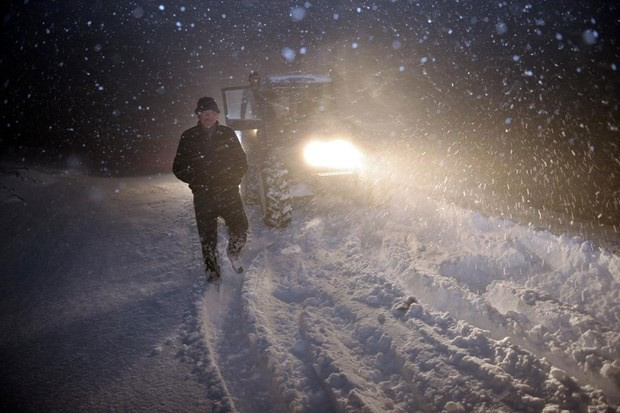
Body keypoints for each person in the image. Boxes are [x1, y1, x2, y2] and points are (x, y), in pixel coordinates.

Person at [173, 96, 249, 281]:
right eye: (204, 113)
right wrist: (196, 182)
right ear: (198, 115)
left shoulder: (228, 134)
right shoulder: (189, 136)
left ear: (217, 115)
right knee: (207, 237)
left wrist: (232, 180)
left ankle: (233, 252)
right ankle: (212, 272)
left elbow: (241, 162)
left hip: (228, 191)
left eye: (211, 113)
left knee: (240, 227)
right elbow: (178, 167)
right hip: (203, 195)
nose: (208, 116)